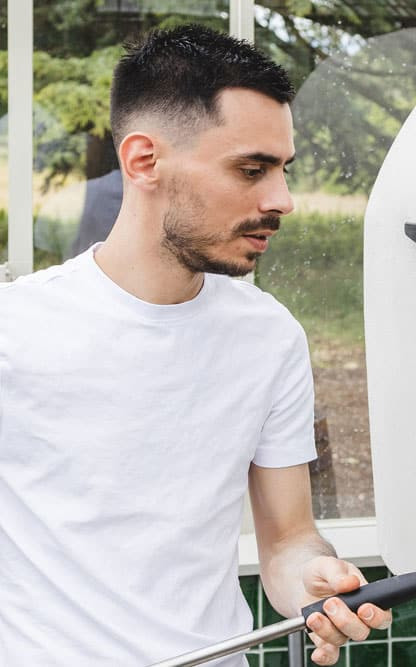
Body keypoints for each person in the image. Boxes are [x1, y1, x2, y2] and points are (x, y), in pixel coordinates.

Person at [0, 25, 390, 666]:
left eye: (283, 170)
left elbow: (289, 543)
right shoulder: (17, 329)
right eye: (251, 169)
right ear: (143, 161)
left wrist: (317, 586)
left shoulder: (270, 338)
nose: (282, 200)